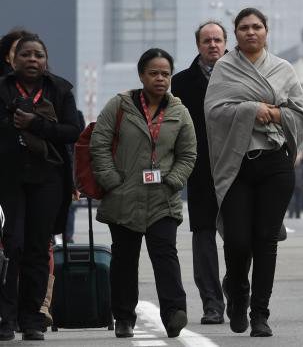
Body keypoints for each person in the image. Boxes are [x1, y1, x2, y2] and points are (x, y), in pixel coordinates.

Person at [205, 7, 303, 336]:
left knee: (266, 239)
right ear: (235, 34)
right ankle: (237, 294)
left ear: (266, 31)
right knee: (237, 240)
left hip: (275, 162)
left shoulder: (283, 69)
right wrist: (253, 109)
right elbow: (214, 111)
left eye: (257, 27)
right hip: (237, 162)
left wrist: (276, 115)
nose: (251, 32)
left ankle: (260, 313)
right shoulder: (224, 68)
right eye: (244, 28)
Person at [91, 48, 197, 339]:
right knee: (124, 259)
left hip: (163, 198)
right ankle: (124, 317)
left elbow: (188, 154)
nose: (160, 79)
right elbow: (98, 144)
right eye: (154, 73)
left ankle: (174, 313)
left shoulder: (179, 112)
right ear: (141, 75)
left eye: (165, 73)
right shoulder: (120, 106)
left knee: (165, 254)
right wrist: (112, 181)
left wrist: (174, 181)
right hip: (123, 197)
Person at [0, 34, 81, 341]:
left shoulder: (60, 89)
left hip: (48, 179)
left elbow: (72, 131)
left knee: (37, 247)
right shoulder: (3, 88)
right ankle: (4, 317)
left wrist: (35, 124)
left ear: (46, 60)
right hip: (8, 180)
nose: (32, 60)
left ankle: (32, 318)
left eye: (38, 55)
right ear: (13, 59)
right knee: (12, 245)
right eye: (26, 55)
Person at [170, 21, 227, 325]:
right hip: (200, 169)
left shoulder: (242, 75)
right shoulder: (181, 83)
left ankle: (236, 288)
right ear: (198, 45)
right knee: (203, 235)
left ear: (226, 42)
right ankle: (212, 303)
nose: (213, 45)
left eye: (218, 39)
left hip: (238, 168)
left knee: (241, 236)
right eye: (207, 40)